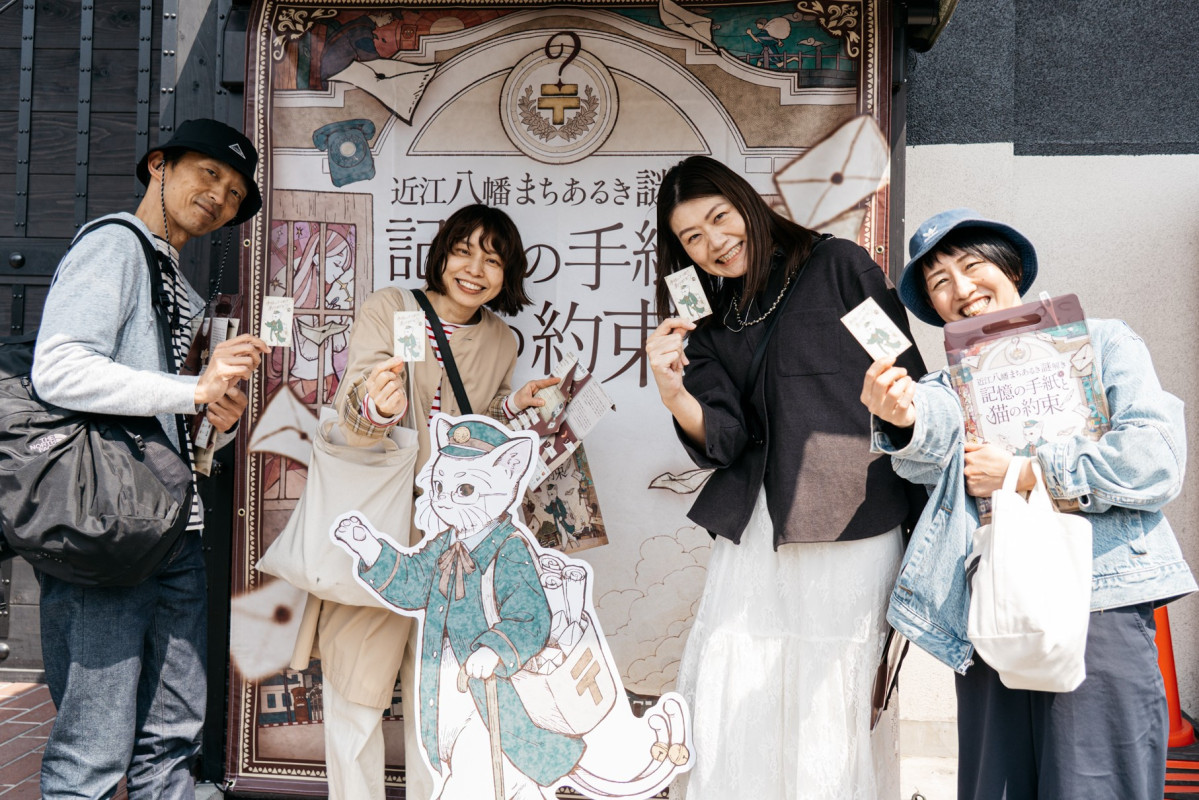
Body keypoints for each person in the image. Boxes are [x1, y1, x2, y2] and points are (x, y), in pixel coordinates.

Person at [861, 208, 1197, 800]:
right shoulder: (943, 387)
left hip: (1100, 600)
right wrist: (902, 417)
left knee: (1097, 785)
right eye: (939, 282)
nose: (961, 288)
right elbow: (929, 439)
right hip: (992, 607)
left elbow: (1155, 459)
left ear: (1011, 267)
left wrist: (1024, 472)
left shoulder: (1102, 341)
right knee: (998, 785)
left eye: (972, 266)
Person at [644, 155, 926, 799]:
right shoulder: (705, 321)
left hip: (852, 520)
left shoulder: (840, 268)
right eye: (693, 237)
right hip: (754, 532)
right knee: (740, 685)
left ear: (748, 204)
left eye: (721, 218)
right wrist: (673, 392)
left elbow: (905, 375)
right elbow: (724, 439)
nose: (715, 243)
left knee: (831, 699)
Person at [31, 119, 269, 799]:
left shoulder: (183, 290)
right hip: (106, 528)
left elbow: (177, 421)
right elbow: (59, 368)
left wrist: (215, 422)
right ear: (159, 165)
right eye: (210, 174)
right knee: (93, 747)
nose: (221, 196)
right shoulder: (114, 244)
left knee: (172, 739)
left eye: (235, 192)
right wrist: (192, 388)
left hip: (175, 531)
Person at [290, 204, 559, 800]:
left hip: (453, 539)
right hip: (383, 523)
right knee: (356, 685)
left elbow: (474, 426)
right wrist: (377, 406)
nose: (475, 270)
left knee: (438, 696)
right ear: (441, 254)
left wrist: (513, 409)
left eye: (493, 260)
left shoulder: (501, 339)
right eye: (463, 251)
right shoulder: (390, 308)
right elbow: (358, 399)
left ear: (508, 274)